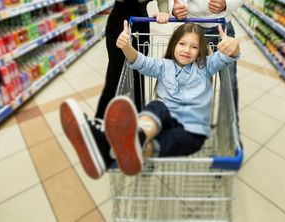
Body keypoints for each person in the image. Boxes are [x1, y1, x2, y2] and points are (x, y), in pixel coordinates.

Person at [60, 20, 240, 178]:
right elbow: (141, 62)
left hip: (192, 131)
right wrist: (126, 46)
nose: (187, 50)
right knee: (157, 106)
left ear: (200, 51)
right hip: (161, 122)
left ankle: (107, 148)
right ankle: (135, 137)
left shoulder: (206, 67)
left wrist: (233, 45)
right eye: (182, 44)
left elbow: (228, 56)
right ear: (173, 45)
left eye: (194, 47)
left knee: (167, 142)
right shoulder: (164, 66)